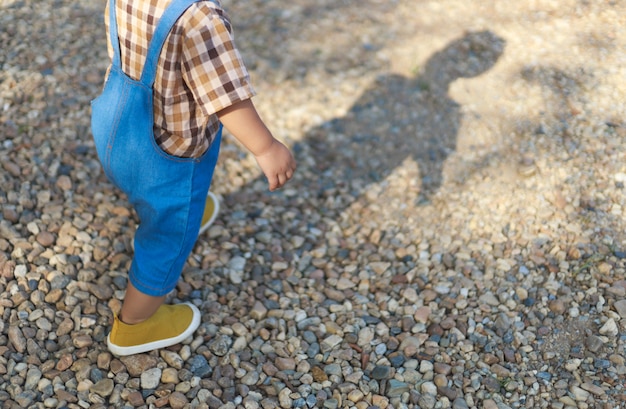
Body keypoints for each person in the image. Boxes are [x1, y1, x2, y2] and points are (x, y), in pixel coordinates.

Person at [91, 0, 296, 356]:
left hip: (116, 127)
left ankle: (168, 204)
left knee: (150, 192)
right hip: (170, 153)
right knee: (168, 236)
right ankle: (135, 325)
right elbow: (227, 100)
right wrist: (266, 147)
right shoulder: (201, 17)